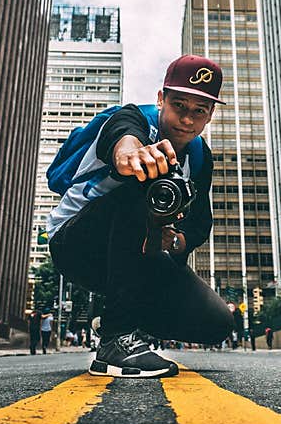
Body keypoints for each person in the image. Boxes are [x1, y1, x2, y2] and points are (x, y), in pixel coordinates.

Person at [47, 55, 234, 378]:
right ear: (161, 99)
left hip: (138, 256)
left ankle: (118, 316)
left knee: (217, 322)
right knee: (142, 182)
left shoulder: (201, 157)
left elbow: (200, 224)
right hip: (76, 245)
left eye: (199, 111)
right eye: (179, 105)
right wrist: (130, 155)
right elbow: (122, 138)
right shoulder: (132, 118)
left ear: (210, 116)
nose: (187, 120)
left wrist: (173, 240)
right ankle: (115, 341)